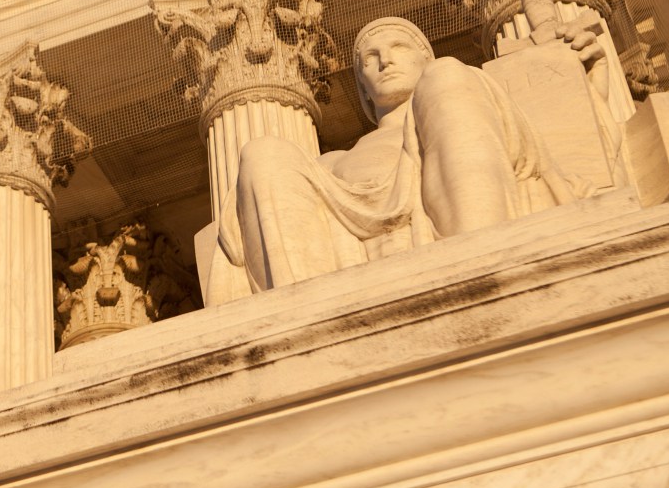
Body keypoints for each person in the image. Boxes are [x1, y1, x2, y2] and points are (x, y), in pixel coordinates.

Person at [218, 15, 605, 292]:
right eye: (369, 59)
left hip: (476, 239)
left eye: (399, 47)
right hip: (338, 270)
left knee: (448, 79)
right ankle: (307, 322)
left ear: (424, 60)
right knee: (262, 151)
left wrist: (581, 77)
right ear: (363, 91)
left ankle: (486, 264)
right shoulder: (328, 165)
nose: (384, 61)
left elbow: (562, 157)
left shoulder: (462, 93)